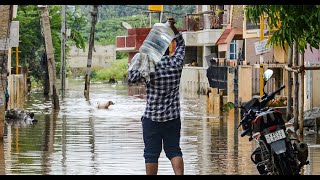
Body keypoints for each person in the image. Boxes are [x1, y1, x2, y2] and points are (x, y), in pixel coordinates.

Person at [128, 18, 185, 175]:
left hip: (152, 119)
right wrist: (173, 29)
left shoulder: (149, 68)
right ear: (167, 50)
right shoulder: (176, 64)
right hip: (173, 118)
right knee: (174, 150)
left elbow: (131, 79)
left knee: (151, 154)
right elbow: (181, 45)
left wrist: (141, 59)